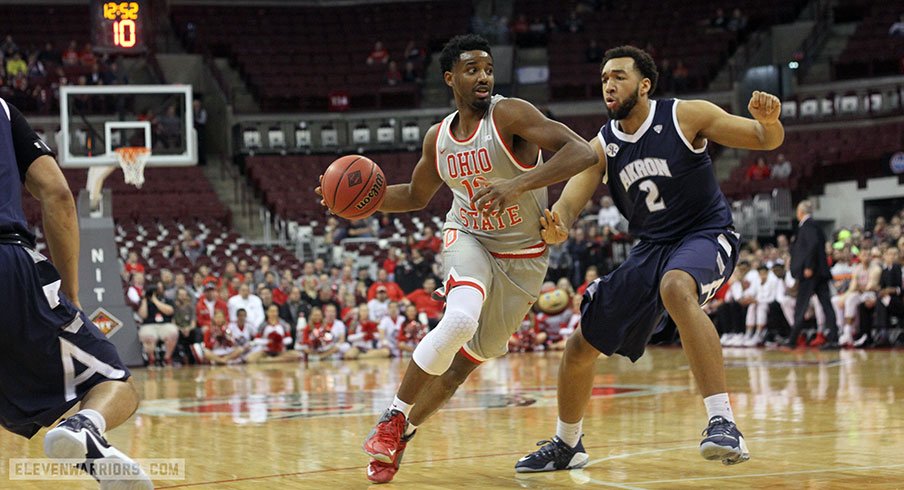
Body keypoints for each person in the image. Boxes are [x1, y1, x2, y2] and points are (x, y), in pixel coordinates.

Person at [488, 46, 785, 472]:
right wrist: (559, 223)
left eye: (619, 76)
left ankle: (723, 422)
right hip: (650, 247)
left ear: (644, 84)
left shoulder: (686, 116)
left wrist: (770, 120)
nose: (609, 84)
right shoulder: (602, 145)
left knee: (676, 286)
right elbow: (570, 203)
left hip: (705, 233)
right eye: (605, 77)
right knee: (579, 346)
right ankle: (567, 443)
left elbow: (763, 140)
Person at [316, 34, 595, 484]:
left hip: (523, 257)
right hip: (466, 235)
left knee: (463, 365)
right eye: (471, 69)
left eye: (487, 68)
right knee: (461, 319)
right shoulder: (438, 138)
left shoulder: (510, 114)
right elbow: (414, 195)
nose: (483, 76)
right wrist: (350, 202)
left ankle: (399, 437)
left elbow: (581, 151)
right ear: (450, 78)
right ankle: (391, 417)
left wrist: (517, 185)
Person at [0, 96, 151, 486]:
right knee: (115, 382)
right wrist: (72, 293)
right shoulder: (2, 110)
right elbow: (58, 195)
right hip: (8, 267)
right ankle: (85, 426)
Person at [787, 200, 840, 349]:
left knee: (801, 305)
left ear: (801, 212)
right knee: (826, 305)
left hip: (811, 273)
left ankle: (792, 339)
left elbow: (812, 245)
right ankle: (834, 338)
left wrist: (809, 266)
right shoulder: (814, 226)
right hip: (820, 272)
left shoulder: (808, 226)